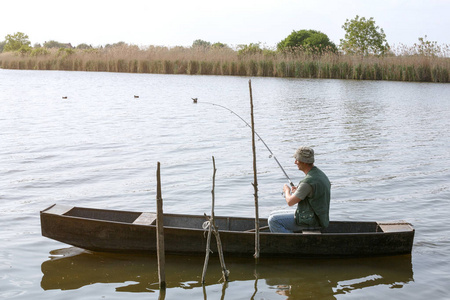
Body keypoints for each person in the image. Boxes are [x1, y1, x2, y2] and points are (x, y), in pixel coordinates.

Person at [268, 146, 331, 233]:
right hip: (318, 217)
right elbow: (313, 194)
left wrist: (287, 191)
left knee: (273, 220)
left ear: (304, 162)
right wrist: (298, 191)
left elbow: (290, 202)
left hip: (312, 221)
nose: (295, 162)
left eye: (297, 159)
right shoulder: (320, 174)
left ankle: (292, 244)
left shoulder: (307, 182)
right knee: (273, 214)